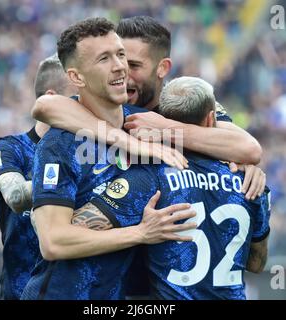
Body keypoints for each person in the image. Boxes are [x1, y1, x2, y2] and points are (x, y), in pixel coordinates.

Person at [21, 17, 196, 300]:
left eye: (121, 54)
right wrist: (141, 233)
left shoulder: (147, 126)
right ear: (77, 77)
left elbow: (238, 145)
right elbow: (53, 242)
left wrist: (247, 166)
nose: (119, 66)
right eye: (104, 58)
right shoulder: (59, 145)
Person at [73, 76, 271, 300]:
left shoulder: (149, 177)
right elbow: (256, 263)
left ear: (159, 119)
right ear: (211, 119)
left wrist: (139, 233)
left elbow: (74, 231)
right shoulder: (251, 181)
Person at [31, 15, 265, 200]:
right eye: (114, 57)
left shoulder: (181, 103)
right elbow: (45, 106)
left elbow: (247, 148)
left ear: (162, 68)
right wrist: (128, 142)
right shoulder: (99, 103)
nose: (122, 70)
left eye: (132, 64)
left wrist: (164, 127)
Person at [0, 54, 78, 299]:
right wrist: (64, 184)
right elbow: (15, 196)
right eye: (77, 98)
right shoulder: (11, 148)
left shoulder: (88, 150)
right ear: (51, 98)